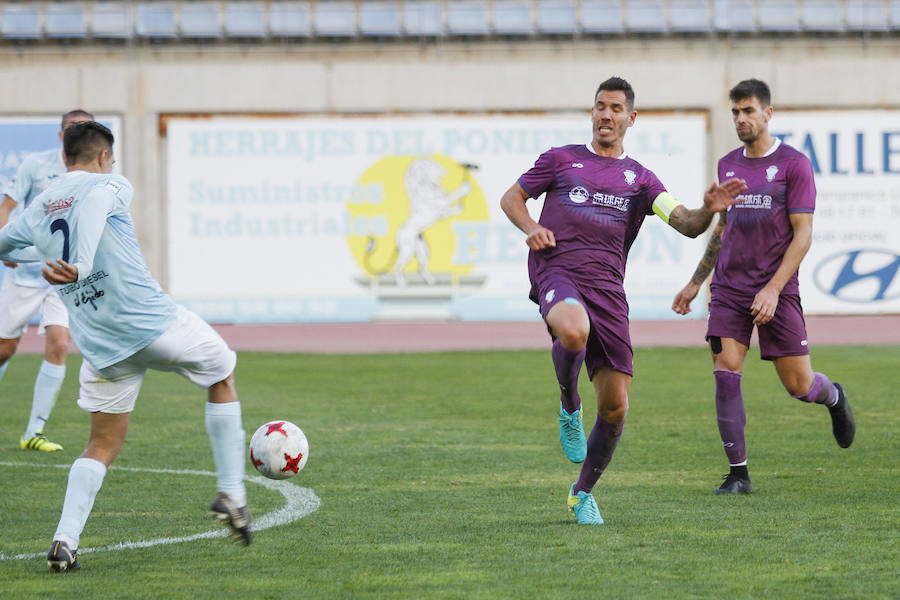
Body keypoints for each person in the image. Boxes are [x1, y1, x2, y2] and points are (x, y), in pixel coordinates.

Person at [0, 121, 251, 571]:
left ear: (65, 157)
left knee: (101, 444)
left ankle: (64, 540)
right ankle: (232, 493)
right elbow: (95, 202)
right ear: (102, 158)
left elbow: (3, 243)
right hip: (154, 324)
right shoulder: (110, 184)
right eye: (110, 160)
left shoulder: (38, 209)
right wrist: (79, 264)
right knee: (222, 373)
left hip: (102, 346)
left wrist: (20, 256)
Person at [500, 76, 747, 524]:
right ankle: (569, 405)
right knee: (574, 332)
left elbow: (687, 224)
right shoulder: (560, 160)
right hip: (558, 270)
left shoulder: (641, 180)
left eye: (616, 108)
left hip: (608, 290)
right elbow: (511, 197)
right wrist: (530, 227)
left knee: (615, 407)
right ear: (592, 112)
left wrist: (710, 209)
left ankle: (582, 492)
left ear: (630, 118)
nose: (606, 115)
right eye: (599, 106)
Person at [671, 78, 855, 495]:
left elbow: (802, 234)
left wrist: (773, 288)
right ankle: (739, 474)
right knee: (725, 372)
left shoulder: (794, 164)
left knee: (799, 386)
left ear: (767, 114)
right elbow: (724, 226)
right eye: (735, 112)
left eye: (748, 111)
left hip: (777, 288)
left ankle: (834, 397)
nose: (740, 119)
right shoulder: (727, 165)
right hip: (730, 288)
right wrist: (697, 282)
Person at [0, 110, 93, 452]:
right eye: (72, 129)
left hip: (62, 276)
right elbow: (6, 206)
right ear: (60, 137)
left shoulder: (93, 176)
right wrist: (4, 242)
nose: (76, 134)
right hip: (26, 274)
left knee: (58, 344)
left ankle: (33, 433)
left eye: (84, 129)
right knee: (4, 349)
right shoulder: (34, 166)